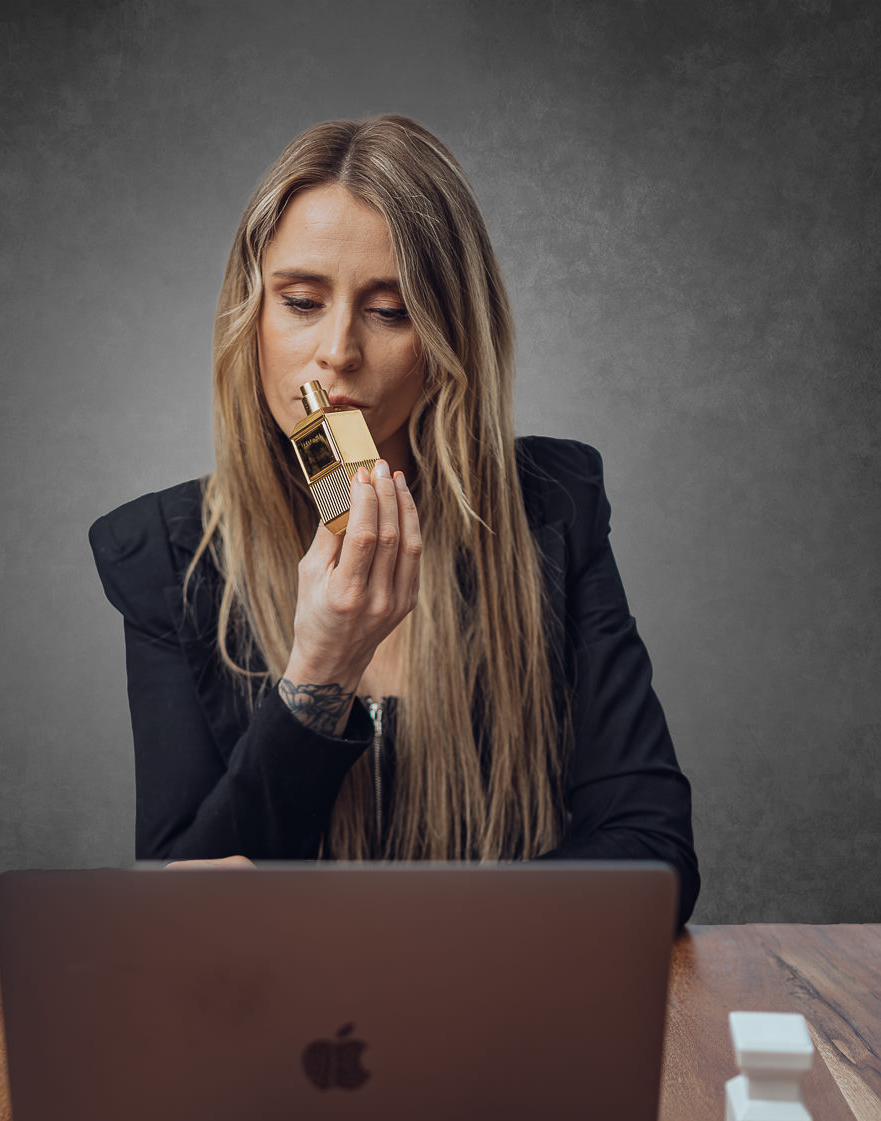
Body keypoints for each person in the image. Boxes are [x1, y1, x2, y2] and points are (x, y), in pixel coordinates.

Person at [90, 115, 700, 927]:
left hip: (492, 997)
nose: (337, 351)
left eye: (389, 310)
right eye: (300, 302)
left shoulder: (552, 506)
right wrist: (322, 670)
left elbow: (653, 858)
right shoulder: (163, 554)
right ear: (252, 316)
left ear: (448, 339)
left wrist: (407, 934)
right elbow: (184, 905)